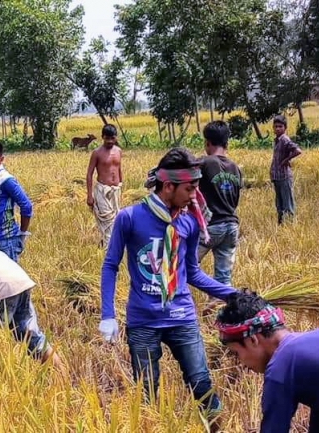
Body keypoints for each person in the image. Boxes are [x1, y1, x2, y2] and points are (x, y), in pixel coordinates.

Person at [99, 148, 237, 419]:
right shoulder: (129, 218)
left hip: (182, 317)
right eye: (189, 189)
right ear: (168, 186)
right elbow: (110, 265)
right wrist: (108, 315)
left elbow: (192, 273)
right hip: (142, 321)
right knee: (146, 394)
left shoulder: (189, 222)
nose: (195, 196)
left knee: (203, 386)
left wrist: (234, 295)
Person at [215, 291, 319, 432]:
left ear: (252, 340)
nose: (241, 363)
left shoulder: (281, 367)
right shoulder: (316, 341)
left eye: (236, 353)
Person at [197, 121, 243, 285]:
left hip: (210, 227)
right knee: (223, 279)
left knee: (181, 265)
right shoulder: (236, 168)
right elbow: (235, 199)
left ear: (207, 143)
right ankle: (218, 304)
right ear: (227, 144)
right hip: (231, 227)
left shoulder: (204, 162)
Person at [86, 124, 122, 248]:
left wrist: (121, 185)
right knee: (107, 221)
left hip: (115, 190)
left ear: (115, 137)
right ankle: (108, 249)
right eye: (107, 138)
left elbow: (119, 169)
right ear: (102, 137)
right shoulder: (97, 153)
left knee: (116, 220)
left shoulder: (118, 151)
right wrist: (89, 196)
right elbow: (89, 174)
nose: (110, 141)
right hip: (102, 190)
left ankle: (107, 245)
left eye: (112, 138)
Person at [270, 115, 302, 224]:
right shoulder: (277, 140)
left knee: (287, 203)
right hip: (277, 177)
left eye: (280, 126)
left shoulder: (284, 139)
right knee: (279, 204)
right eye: (276, 126)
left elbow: (297, 150)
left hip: (284, 176)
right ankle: (281, 225)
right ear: (273, 128)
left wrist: (286, 159)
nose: (278, 128)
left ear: (285, 127)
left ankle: (289, 225)